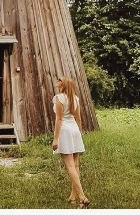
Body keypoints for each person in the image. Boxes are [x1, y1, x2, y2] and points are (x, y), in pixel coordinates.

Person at [52, 76, 89, 208]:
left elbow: (59, 119)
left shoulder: (59, 98)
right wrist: (79, 132)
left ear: (64, 84)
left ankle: (82, 197)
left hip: (65, 130)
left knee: (70, 166)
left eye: (59, 79)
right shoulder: (75, 98)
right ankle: (72, 197)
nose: (57, 80)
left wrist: (55, 139)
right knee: (76, 166)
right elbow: (78, 117)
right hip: (74, 129)